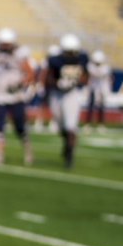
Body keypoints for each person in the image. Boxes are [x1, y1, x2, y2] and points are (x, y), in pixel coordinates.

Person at [0, 27, 35, 165]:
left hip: (15, 96)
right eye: (3, 44)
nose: (6, 47)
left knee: (19, 126)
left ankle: (27, 149)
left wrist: (20, 84)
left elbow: (30, 73)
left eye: (7, 44)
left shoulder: (19, 54)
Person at [46, 33, 89, 167]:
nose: (70, 55)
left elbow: (86, 77)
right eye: (68, 52)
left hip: (72, 94)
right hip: (57, 93)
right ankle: (67, 143)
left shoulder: (82, 59)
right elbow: (48, 78)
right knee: (60, 125)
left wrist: (75, 83)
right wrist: (58, 83)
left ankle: (69, 154)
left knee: (70, 125)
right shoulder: (55, 60)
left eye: (72, 52)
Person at [86, 50, 112, 129]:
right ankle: (88, 123)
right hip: (93, 88)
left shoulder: (105, 68)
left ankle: (101, 124)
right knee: (91, 106)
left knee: (101, 107)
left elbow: (102, 75)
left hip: (102, 89)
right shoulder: (90, 66)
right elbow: (94, 74)